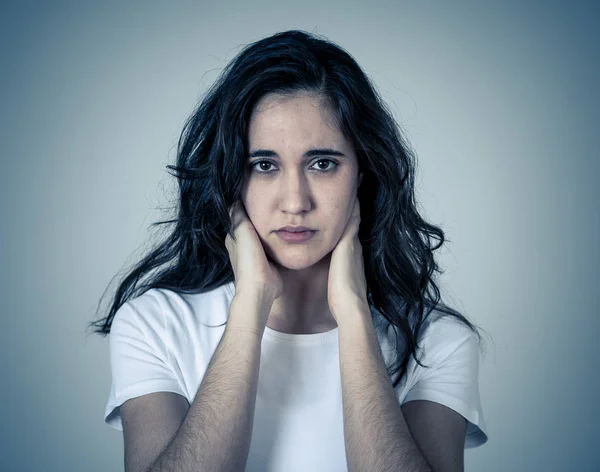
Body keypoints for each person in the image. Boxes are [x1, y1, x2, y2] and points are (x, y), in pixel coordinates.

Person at [89, 29, 489, 472]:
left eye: (323, 164)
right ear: (229, 177)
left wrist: (354, 313)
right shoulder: (156, 326)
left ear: (362, 173)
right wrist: (249, 306)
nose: (295, 201)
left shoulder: (438, 343)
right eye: (264, 165)